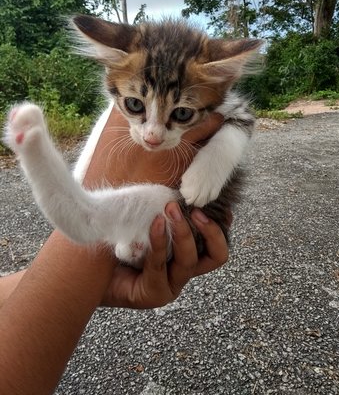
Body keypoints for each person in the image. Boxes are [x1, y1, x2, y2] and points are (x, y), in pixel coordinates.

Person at [0, 106, 229, 395]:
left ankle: (85, 209)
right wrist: (84, 283)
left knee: (157, 201)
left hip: (176, 215)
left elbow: (239, 119)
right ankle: (83, 205)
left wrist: (86, 284)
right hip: (150, 221)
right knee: (107, 168)